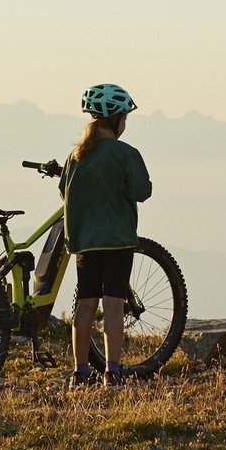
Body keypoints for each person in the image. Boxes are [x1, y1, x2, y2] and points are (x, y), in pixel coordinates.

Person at [61, 83, 152, 387]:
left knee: (85, 303)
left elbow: (63, 190)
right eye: (124, 117)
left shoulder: (76, 155)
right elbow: (142, 191)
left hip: (85, 240)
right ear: (115, 119)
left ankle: (79, 371)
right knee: (113, 304)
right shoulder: (126, 153)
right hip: (117, 239)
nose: (125, 122)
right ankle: (112, 371)